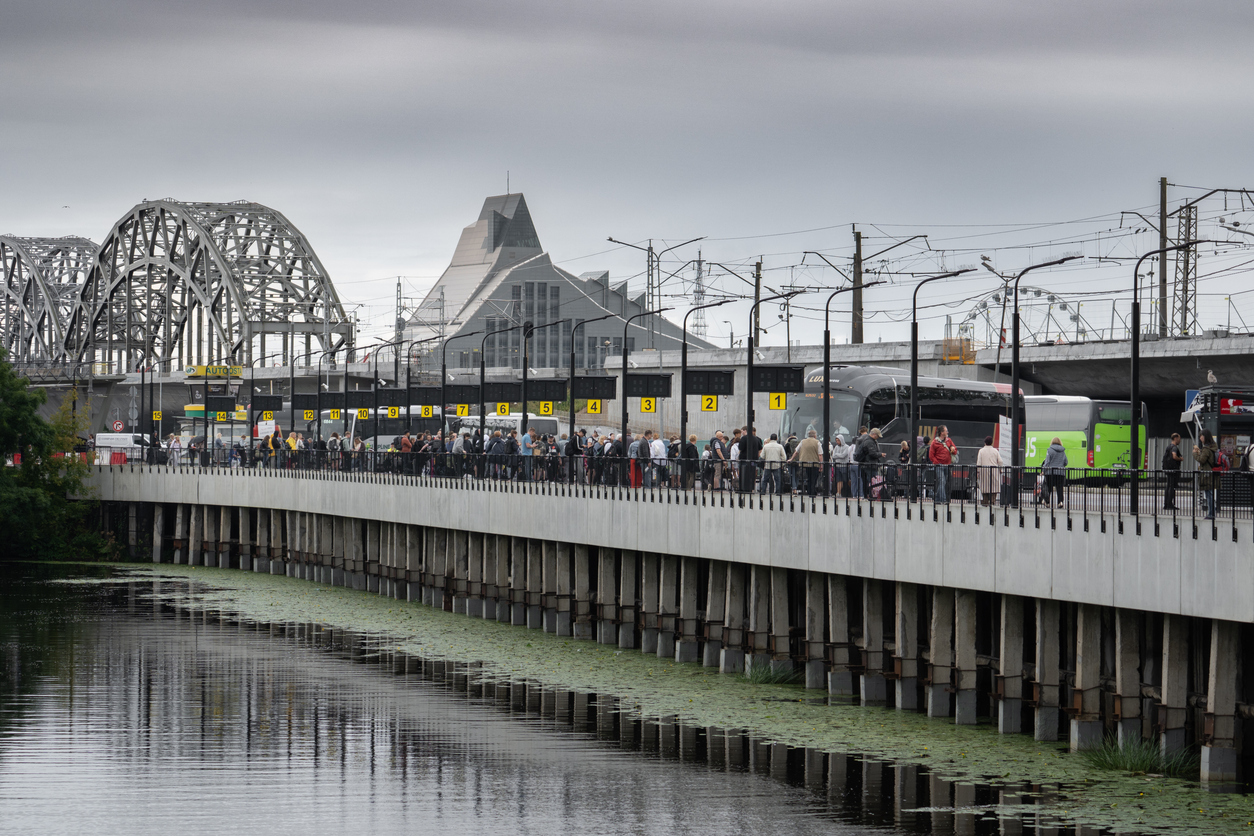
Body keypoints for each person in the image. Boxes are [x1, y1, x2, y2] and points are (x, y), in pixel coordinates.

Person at [1193, 429, 1219, 520]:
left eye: (1201, 436)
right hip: (1211, 473)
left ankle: (1211, 514)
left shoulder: (1206, 448)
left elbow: (1202, 460)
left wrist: (1195, 454)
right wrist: (1200, 452)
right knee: (1210, 494)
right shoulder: (1213, 446)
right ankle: (1212, 513)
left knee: (1209, 494)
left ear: (1205, 437)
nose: (1200, 438)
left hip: (1207, 474)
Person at [928, 426, 958, 504]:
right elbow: (931, 455)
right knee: (942, 481)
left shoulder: (949, 440)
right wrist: (937, 463)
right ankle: (943, 499)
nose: (947, 432)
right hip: (939, 465)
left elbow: (955, 451)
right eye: (946, 431)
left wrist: (953, 449)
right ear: (942, 432)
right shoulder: (935, 442)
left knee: (944, 482)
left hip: (947, 465)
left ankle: (937, 499)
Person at [791, 429, 823, 496]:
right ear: (815, 435)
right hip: (814, 464)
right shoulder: (817, 442)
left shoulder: (803, 441)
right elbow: (820, 455)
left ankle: (808, 491)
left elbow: (796, 451)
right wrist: (821, 465)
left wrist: (791, 459)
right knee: (813, 478)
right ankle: (812, 492)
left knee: (808, 478)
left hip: (804, 463)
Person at [975, 435, 1003, 507]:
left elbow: (978, 463)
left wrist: (978, 472)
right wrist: (1000, 469)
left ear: (985, 442)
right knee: (994, 488)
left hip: (984, 472)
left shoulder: (981, 451)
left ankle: (985, 502)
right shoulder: (995, 451)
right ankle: (992, 502)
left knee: (985, 488)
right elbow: (1000, 461)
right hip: (994, 471)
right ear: (991, 442)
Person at [1041, 436, 1068, 508]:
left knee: (1049, 488)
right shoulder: (1062, 451)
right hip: (1060, 473)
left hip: (1050, 472)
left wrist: (1043, 470)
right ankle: (1060, 502)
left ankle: (1047, 502)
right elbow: (1066, 462)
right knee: (1059, 488)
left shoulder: (1049, 450)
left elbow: (1047, 462)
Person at [1161, 432, 1183, 511]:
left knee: (1168, 486)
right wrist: (1180, 459)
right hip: (1173, 470)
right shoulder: (1174, 448)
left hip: (1168, 469)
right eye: (1179, 439)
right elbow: (1174, 456)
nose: (1180, 441)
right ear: (1176, 438)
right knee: (1172, 486)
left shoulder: (1168, 447)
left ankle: (1166, 503)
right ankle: (1170, 504)